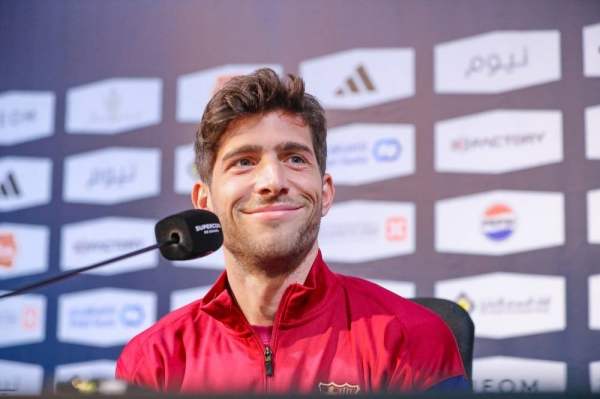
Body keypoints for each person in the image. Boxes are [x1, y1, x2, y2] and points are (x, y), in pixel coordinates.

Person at [116, 68, 468, 394]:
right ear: (204, 202)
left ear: (325, 193)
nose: (273, 181)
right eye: (244, 162)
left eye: (295, 158)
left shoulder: (412, 338)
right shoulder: (152, 362)